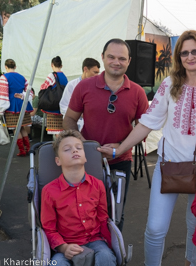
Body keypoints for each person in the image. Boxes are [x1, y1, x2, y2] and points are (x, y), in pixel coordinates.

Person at [97, 30, 196, 266]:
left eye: (195, 51)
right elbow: (148, 121)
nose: (190, 57)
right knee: (155, 228)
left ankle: (191, 264)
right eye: (184, 52)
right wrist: (119, 149)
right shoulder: (170, 83)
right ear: (178, 57)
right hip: (171, 165)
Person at [63, 39, 149, 231]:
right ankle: (87, 254)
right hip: (86, 161)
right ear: (102, 57)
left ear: (129, 61)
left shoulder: (137, 92)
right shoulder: (84, 87)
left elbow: (143, 128)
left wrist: (120, 148)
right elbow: (69, 119)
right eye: (111, 57)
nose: (116, 62)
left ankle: (114, 257)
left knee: (115, 213)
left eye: (121, 58)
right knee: (83, 211)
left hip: (121, 162)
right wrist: (86, 146)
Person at [40, 130, 116, 266]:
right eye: (67, 149)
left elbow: (102, 218)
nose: (74, 150)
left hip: (95, 240)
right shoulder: (49, 191)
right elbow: (49, 228)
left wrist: (111, 245)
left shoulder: (97, 185)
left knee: (106, 257)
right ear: (58, 160)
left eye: (79, 148)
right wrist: (63, 247)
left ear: (85, 157)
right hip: (66, 243)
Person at [0, 59, 33, 156]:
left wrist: (1, 109)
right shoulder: (22, 77)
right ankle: (27, 149)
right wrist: (22, 95)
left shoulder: (4, 77)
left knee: (16, 129)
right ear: (15, 67)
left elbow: (3, 94)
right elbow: (30, 92)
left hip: (11, 105)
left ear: (6, 67)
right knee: (22, 128)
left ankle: (22, 150)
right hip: (22, 104)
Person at [60, 58, 100, 131]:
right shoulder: (72, 85)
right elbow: (63, 106)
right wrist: (78, 114)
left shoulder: (97, 86)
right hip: (76, 125)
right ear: (85, 69)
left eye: (98, 73)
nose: (97, 75)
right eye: (95, 72)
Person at [40, 56, 68, 135]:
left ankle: (58, 146)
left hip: (53, 106)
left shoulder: (52, 75)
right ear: (61, 66)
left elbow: (44, 87)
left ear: (52, 65)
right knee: (62, 130)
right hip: (62, 105)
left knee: (57, 132)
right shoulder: (64, 76)